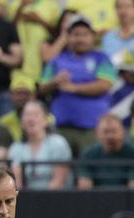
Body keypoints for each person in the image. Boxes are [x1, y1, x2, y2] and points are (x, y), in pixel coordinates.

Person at [37, 15, 117, 157]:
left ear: (92, 36)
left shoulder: (101, 58)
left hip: (92, 128)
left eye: (85, 34)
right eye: (75, 34)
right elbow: (41, 88)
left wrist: (74, 88)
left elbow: (105, 85)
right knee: (62, 170)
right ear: (67, 37)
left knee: (90, 170)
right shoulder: (57, 60)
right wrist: (54, 81)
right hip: (62, 128)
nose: (80, 39)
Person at [8, 100, 72, 189]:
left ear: (46, 120)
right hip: (26, 198)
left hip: (56, 197)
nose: (31, 119)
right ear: (22, 122)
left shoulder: (58, 143)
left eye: (35, 115)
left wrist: (41, 200)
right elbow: (17, 183)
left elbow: (59, 180)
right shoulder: (16, 148)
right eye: (27, 115)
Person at [75, 113, 134, 188]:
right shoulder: (88, 155)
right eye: (105, 132)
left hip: (125, 198)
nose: (110, 136)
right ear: (96, 134)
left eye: (114, 131)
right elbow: (84, 188)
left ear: (123, 132)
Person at [11, 0, 61, 88]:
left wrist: (39, 20)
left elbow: (56, 33)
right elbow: (7, 28)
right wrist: (20, 8)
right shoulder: (15, 4)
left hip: (41, 60)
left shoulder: (52, 5)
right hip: (20, 63)